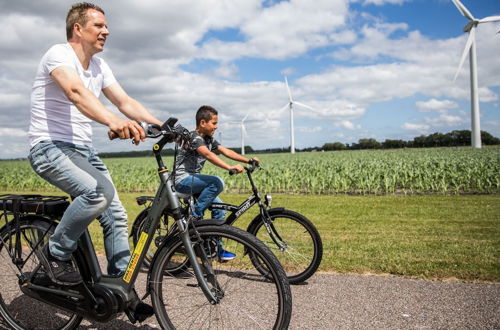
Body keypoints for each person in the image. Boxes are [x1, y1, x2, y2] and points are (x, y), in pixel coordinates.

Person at [28, 1, 162, 294]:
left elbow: (125, 102)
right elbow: (76, 93)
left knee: (116, 215)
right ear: (78, 28)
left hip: (83, 152)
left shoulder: (100, 65)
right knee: (97, 192)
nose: (107, 31)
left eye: (106, 26)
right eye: (99, 26)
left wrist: (163, 126)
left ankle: (120, 289)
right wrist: (113, 121)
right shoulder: (58, 54)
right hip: (50, 147)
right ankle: (55, 254)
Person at [174, 105, 259, 260]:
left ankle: (215, 250)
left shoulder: (208, 140)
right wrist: (229, 167)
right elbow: (207, 154)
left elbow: (226, 151)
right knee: (216, 182)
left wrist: (248, 160)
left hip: (194, 181)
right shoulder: (194, 137)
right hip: (182, 180)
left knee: (219, 209)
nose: (216, 126)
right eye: (214, 123)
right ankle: (192, 217)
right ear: (202, 123)